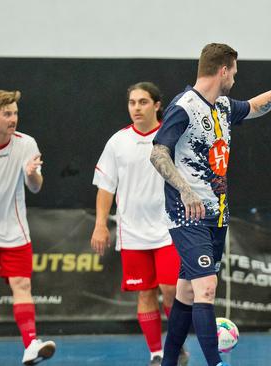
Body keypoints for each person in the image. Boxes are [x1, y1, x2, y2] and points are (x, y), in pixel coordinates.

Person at [150, 43, 271, 366]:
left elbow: (253, 107)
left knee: (188, 292)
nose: (235, 77)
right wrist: (185, 190)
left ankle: (168, 362)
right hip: (188, 213)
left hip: (215, 215)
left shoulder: (220, 106)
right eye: (234, 71)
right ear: (223, 70)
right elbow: (157, 153)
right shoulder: (184, 107)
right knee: (207, 288)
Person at [91, 82, 189, 366]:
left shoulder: (171, 136)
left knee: (172, 290)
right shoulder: (117, 142)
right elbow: (106, 188)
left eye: (143, 102)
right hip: (132, 233)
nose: (136, 107)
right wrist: (100, 224)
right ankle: (156, 354)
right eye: (132, 102)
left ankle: (176, 345)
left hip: (169, 229)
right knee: (145, 294)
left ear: (157, 105)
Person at [0, 90, 56, 365]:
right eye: (7, 114)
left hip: (15, 231)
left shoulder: (27, 143)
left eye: (15, 112)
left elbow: (35, 188)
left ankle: (31, 345)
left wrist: (32, 174)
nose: (13, 118)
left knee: (22, 284)